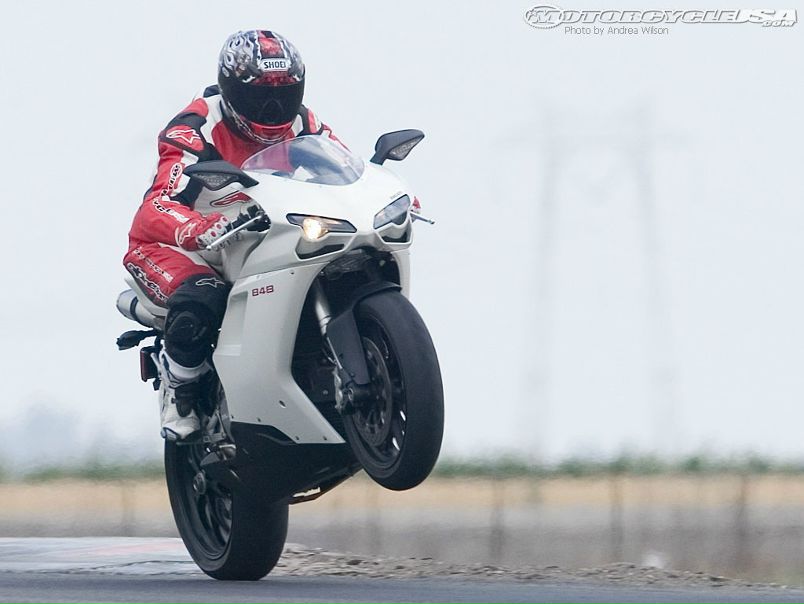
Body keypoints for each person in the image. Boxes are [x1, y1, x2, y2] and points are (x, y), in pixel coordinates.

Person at [124, 30, 339, 440]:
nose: (273, 109)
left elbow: (343, 169)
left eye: (284, 94)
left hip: (258, 235)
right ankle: (180, 386)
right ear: (231, 89)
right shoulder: (194, 129)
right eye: (260, 97)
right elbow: (157, 204)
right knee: (203, 297)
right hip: (177, 245)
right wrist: (196, 228)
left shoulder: (304, 123)